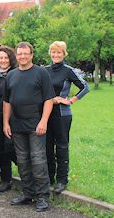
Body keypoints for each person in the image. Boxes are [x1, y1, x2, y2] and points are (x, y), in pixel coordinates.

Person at [3, 42, 55, 212]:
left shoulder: (41, 73)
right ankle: (28, 193)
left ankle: (42, 197)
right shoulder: (11, 75)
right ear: (16, 56)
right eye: (20, 54)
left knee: (39, 160)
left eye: (26, 53)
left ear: (31, 55)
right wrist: (6, 123)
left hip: (35, 125)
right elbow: (7, 101)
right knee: (23, 161)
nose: (23, 57)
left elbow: (48, 99)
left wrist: (44, 121)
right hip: (17, 125)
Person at [45, 41, 89, 194]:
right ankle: (49, 177)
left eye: (59, 52)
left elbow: (85, 87)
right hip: (46, 114)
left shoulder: (68, 70)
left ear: (64, 54)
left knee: (62, 147)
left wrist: (70, 100)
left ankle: (62, 180)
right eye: (53, 52)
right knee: (47, 146)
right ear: (50, 53)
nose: (56, 55)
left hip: (62, 114)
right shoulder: (45, 70)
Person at [0, 46, 18, 192]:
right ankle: (6, 179)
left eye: (6, 58)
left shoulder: (15, 74)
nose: (3, 60)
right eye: (0, 57)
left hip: (13, 117)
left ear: (10, 59)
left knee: (11, 147)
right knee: (1, 148)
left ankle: (27, 171)